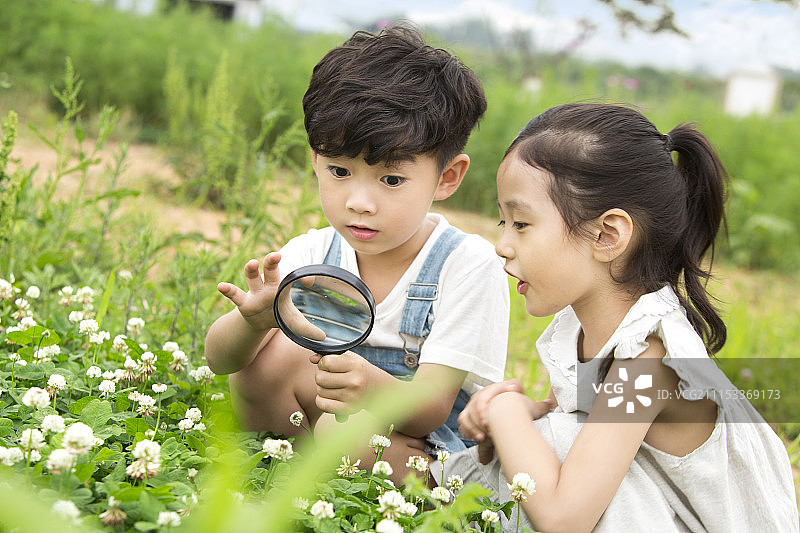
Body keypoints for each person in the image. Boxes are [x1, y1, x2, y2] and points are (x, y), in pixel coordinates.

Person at [443, 103, 799, 531]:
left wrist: (505, 412)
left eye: (520, 223)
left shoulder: (648, 361)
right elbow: (572, 419)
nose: (502, 245)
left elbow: (564, 518)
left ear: (607, 235)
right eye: (504, 222)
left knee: (547, 445)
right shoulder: (588, 328)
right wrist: (523, 411)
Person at [204, 25, 509, 483]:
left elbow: (429, 409)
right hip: (336, 426)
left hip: (424, 450)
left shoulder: (466, 264)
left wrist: (368, 386)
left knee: (342, 431)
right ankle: (281, 474)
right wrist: (253, 322)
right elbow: (221, 361)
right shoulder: (313, 251)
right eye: (340, 171)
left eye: (391, 179)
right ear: (316, 161)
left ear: (447, 177)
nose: (359, 203)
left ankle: (331, 487)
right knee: (261, 364)